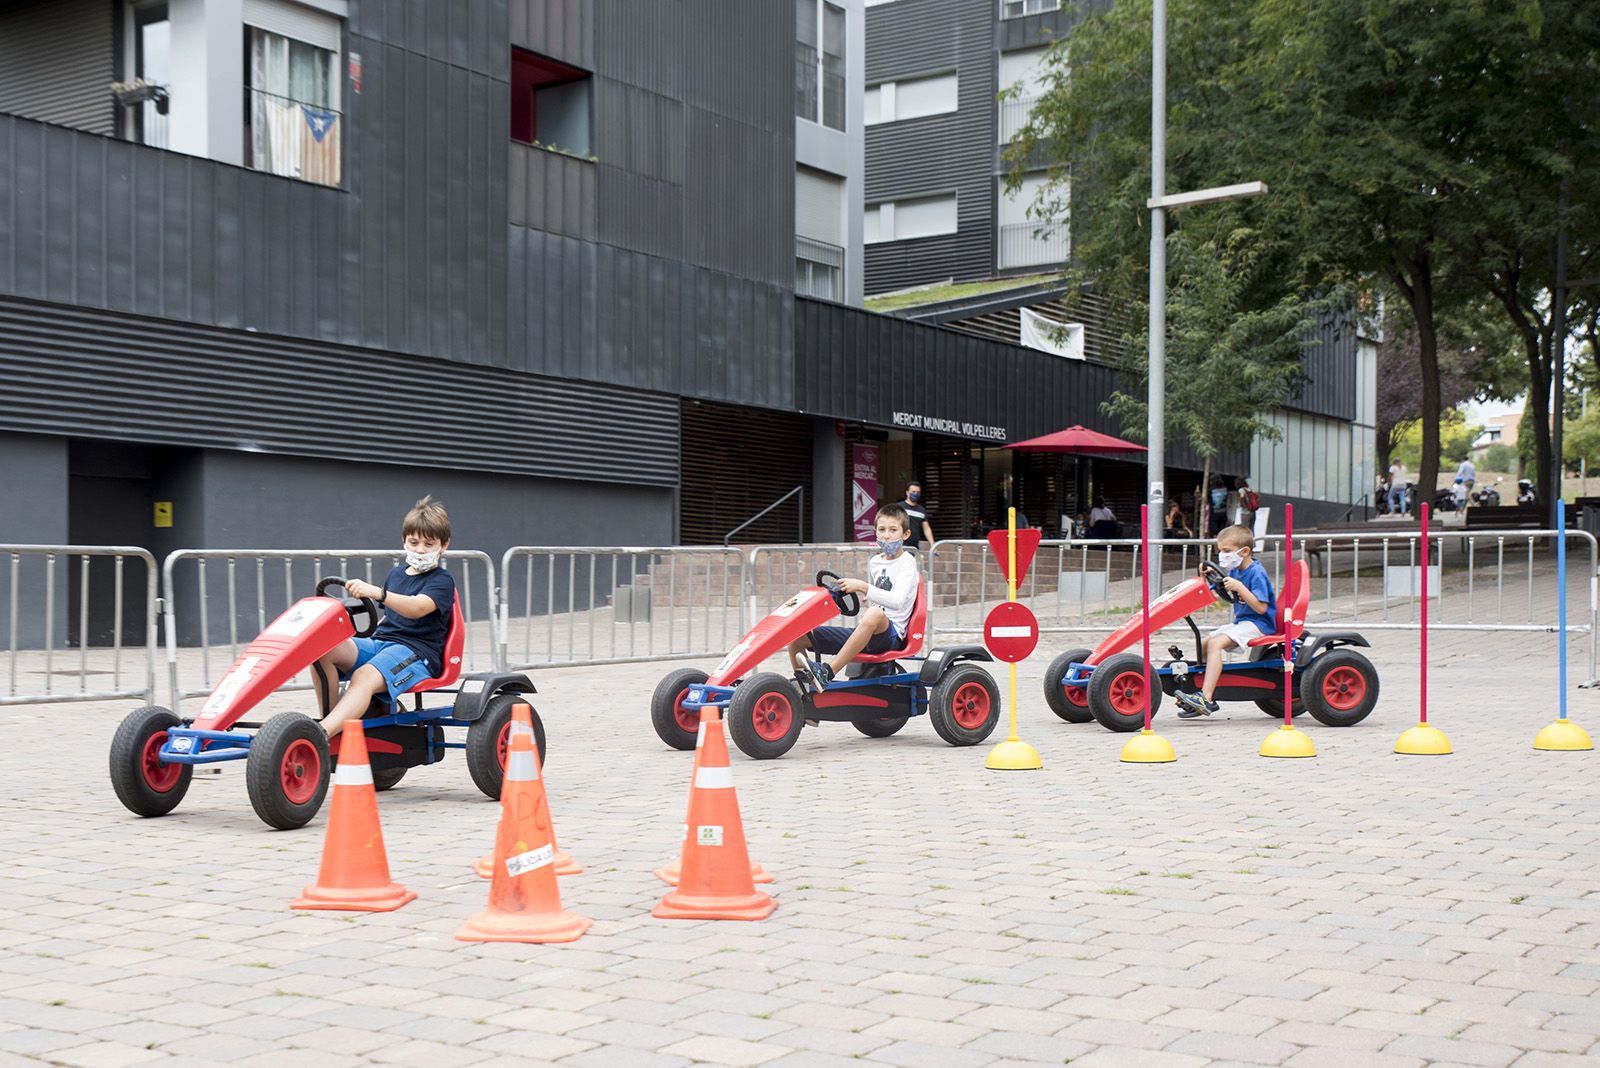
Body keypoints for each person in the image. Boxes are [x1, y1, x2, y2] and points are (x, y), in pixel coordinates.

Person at [311, 496, 457, 737]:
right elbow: (390, 617)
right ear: (404, 541)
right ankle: (332, 721)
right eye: (414, 542)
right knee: (321, 648)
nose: (420, 550)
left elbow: (417, 608)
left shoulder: (442, 580)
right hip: (382, 642)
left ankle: (321, 734)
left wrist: (377, 592)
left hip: (417, 651)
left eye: (429, 544)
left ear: (444, 545)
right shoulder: (396, 574)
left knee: (364, 675)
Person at [788, 504, 919, 689]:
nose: (886, 535)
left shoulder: (907, 563)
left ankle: (827, 672)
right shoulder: (875, 562)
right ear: (875, 532)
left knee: (874, 614)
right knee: (797, 636)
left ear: (905, 534)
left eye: (893, 530)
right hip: (869, 630)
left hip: (892, 636)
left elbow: (897, 601)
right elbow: (875, 595)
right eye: (881, 530)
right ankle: (806, 693)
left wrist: (863, 587)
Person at [1174, 524, 1277, 719]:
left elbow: (1262, 608)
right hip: (1243, 622)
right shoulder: (1234, 570)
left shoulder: (1256, 573)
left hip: (1260, 624)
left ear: (1244, 551)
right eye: (1220, 551)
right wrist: (1205, 576)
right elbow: (1222, 593)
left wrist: (1240, 587)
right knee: (1203, 645)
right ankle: (1207, 691)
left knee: (1216, 644)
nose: (1222, 555)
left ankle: (1206, 697)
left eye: (1227, 551)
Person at [899, 481, 936, 552]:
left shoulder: (921, 510)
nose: (915, 494)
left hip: (914, 548)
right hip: (899, 546)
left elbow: (926, 528)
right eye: (913, 492)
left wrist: (933, 544)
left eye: (918, 492)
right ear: (907, 492)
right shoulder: (899, 507)